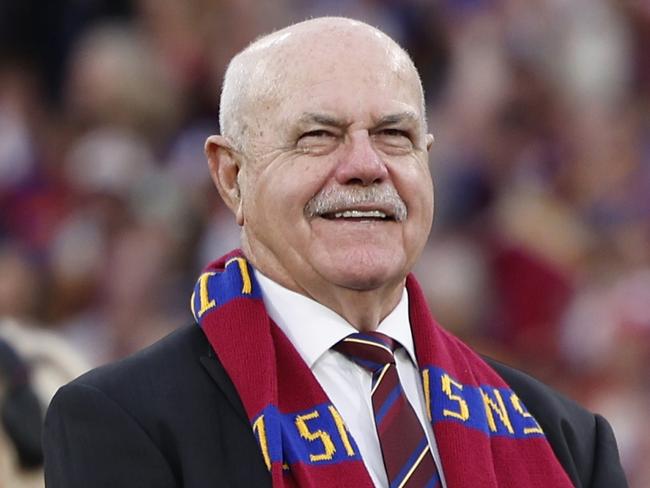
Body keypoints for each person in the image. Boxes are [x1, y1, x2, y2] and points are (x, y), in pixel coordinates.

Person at [43, 17, 628, 488]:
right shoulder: (122, 422)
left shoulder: (567, 440)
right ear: (231, 176)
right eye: (317, 136)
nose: (365, 166)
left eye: (394, 135)